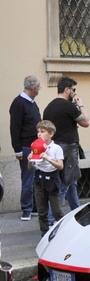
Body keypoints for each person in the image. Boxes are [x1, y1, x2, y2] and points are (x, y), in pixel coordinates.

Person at [43, 76, 89, 210]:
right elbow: (85, 122)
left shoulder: (49, 107)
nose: (75, 93)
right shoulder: (69, 106)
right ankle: (53, 218)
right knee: (64, 184)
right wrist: (81, 105)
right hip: (68, 149)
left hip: (54, 148)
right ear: (67, 89)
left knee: (71, 182)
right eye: (73, 90)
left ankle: (76, 211)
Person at [9, 75, 42, 221]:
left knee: (36, 177)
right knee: (28, 178)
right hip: (26, 146)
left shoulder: (32, 103)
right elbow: (14, 128)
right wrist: (17, 149)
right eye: (39, 87)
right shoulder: (19, 103)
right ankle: (26, 208)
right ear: (33, 88)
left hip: (36, 145)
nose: (39, 90)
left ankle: (34, 206)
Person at [27, 120, 64, 235]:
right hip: (39, 179)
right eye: (38, 131)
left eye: (42, 132)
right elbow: (31, 168)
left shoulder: (56, 148)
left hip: (52, 179)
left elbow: (60, 166)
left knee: (56, 211)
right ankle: (44, 234)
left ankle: (63, 232)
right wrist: (30, 160)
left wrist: (48, 159)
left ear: (51, 134)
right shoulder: (35, 146)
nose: (39, 134)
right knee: (41, 211)